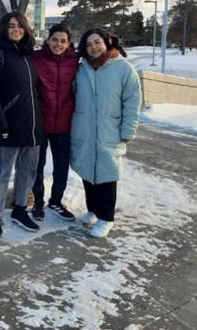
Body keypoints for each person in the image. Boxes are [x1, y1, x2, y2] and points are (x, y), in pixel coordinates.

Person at [71, 28, 141, 238]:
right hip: (84, 127)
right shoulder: (81, 69)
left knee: (107, 174)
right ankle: (93, 209)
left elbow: (132, 102)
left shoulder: (123, 69)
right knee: (87, 172)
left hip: (110, 130)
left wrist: (128, 130)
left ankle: (106, 217)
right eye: (89, 44)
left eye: (97, 42)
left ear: (107, 43)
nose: (93, 48)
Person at [0, 12, 44, 237]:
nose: (15, 30)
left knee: (27, 170)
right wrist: (0, 124)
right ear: (3, 29)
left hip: (32, 126)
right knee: (2, 171)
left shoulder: (27, 55)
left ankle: (19, 210)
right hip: (6, 126)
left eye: (19, 26)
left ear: (26, 29)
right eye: (11, 26)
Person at [30, 23, 79, 222]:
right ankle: (38, 203)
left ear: (68, 43)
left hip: (64, 125)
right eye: (55, 40)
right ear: (48, 40)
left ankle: (56, 201)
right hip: (40, 123)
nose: (58, 44)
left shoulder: (75, 61)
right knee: (37, 166)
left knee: (61, 166)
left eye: (63, 41)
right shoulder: (35, 58)